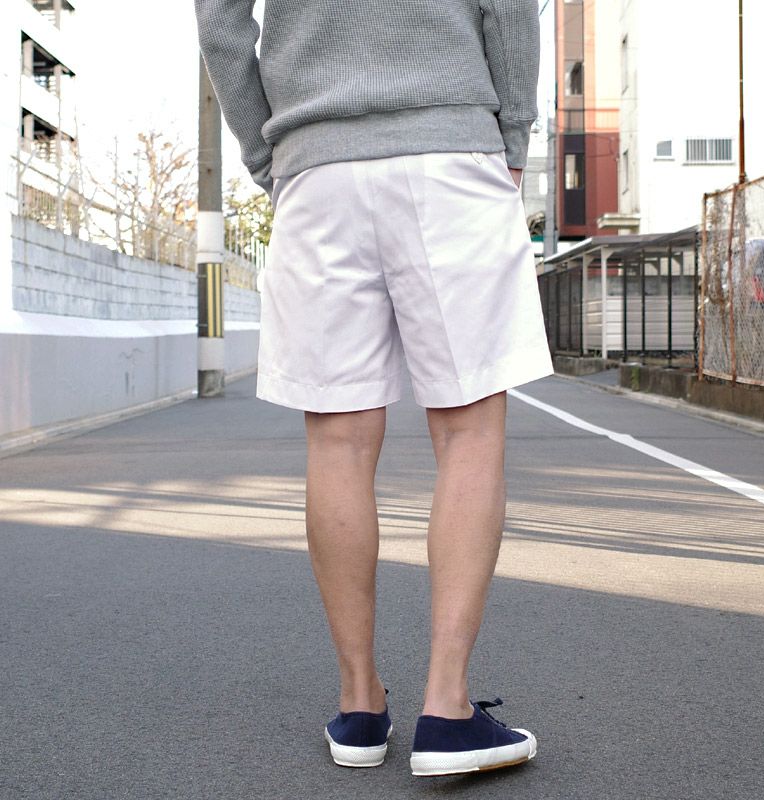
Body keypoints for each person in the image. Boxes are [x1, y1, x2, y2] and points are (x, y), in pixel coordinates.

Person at [194, 0, 553, 777]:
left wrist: (274, 153)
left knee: (339, 441)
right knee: (468, 429)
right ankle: (447, 709)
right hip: (450, 147)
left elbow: (220, 24)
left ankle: (360, 705)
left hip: (315, 164)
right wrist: (512, 136)